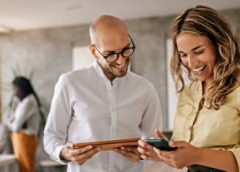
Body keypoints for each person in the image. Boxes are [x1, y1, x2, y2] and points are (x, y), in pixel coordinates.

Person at [137, 5, 240, 172]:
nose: (191, 63)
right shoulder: (189, 92)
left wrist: (197, 155)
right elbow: (185, 158)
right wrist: (162, 154)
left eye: (198, 51)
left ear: (220, 44)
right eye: (183, 54)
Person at [43, 15, 162, 172]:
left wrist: (143, 155)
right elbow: (51, 136)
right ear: (94, 51)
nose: (121, 61)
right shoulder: (70, 83)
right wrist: (65, 153)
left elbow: (155, 143)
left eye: (126, 49)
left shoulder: (145, 89)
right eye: (111, 54)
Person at [8, 76, 40, 172]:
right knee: (24, 168)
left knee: (26, 168)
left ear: (21, 88)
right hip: (23, 138)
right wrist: (15, 122)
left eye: (15, 88)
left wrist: (14, 123)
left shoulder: (28, 102)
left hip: (25, 139)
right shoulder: (24, 102)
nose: (14, 92)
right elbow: (13, 121)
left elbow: (15, 126)